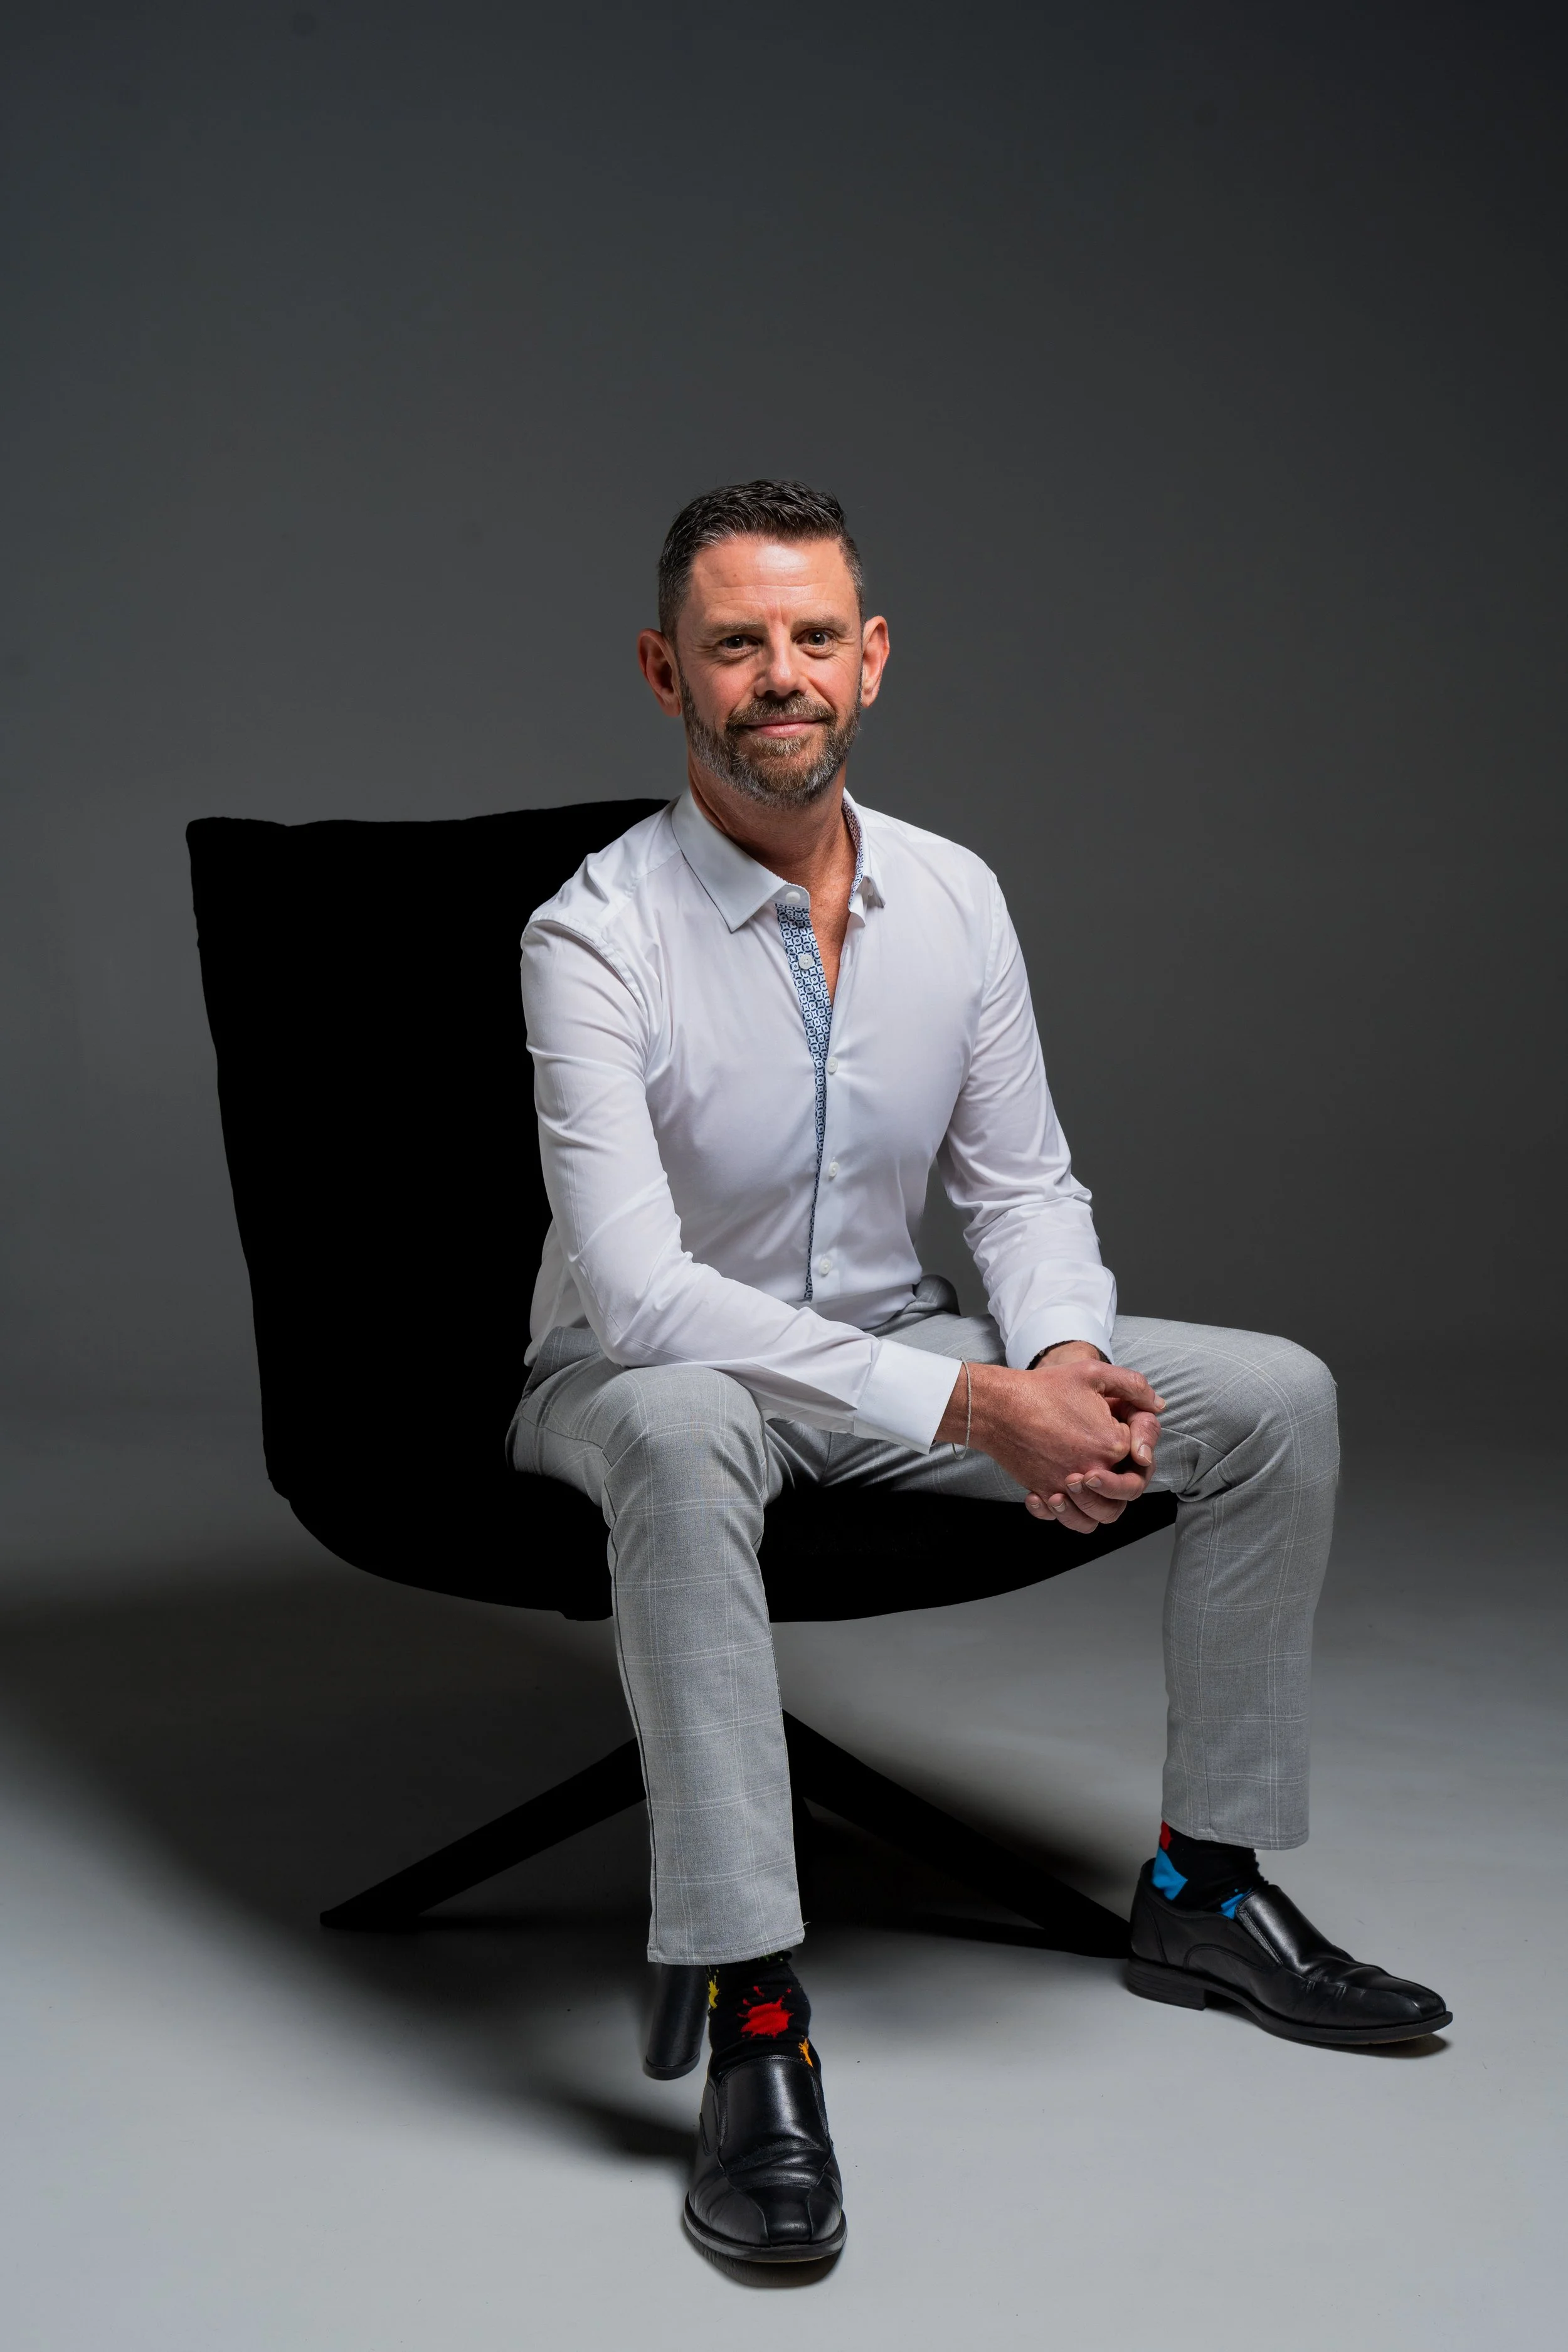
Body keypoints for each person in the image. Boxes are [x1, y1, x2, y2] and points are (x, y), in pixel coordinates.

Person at [508, 480, 1448, 2265]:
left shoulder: (955, 893)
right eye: (732, 644)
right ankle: (751, 2014)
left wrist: (1068, 1364)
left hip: (892, 1343)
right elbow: (637, 1294)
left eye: (808, 638)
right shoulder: (591, 931)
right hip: (629, 1380)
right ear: (663, 671)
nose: (775, 675)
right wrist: (970, 1408)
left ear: (867, 659)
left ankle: (1203, 1887)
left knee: (1275, 1400)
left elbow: (1017, 1189)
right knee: (692, 1410)